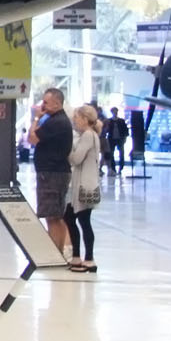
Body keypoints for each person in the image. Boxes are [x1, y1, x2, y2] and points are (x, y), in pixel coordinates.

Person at [28, 87, 74, 258]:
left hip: (52, 174)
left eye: (46, 102)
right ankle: (59, 250)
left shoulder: (56, 122)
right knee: (55, 214)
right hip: (55, 172)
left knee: (52, 215)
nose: (43, 105)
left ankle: (54, 252)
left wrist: (37, 118)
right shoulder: (57, 120)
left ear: (57, 103)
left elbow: (32, 138)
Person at [64, 104, 103, 272]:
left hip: (84, 186)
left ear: (85, 119)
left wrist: (66, 150)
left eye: (77, 118)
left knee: (83, 221)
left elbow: (76, 159)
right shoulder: (90, 135)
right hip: (86, 183)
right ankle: (78, 256)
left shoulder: (88, 135)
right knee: (73, 219)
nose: (75, 121)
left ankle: (88, 258)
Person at [105, 106, 130, 176]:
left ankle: (121, 168)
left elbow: (125, 130)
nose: (115, 113)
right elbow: (107, 130)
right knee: (111, 154)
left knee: (121, 154)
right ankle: (113, 168)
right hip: (112, 139)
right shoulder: (109, 121)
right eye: (113, 112)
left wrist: (124, 138)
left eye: (116, 112)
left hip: (120, 139)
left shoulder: (121, 121)